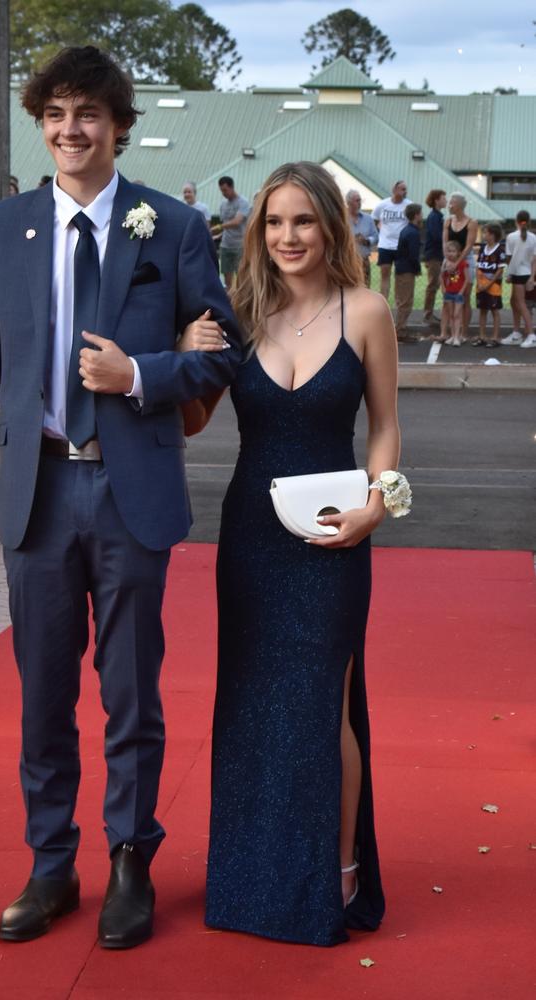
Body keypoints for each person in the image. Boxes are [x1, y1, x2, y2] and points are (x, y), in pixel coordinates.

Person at [0, 44, 241, 950]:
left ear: (118, 125)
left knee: (131, 693)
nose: (73, 130)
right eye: (58, 114)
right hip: (34, 491)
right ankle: (50, 863)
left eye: (90, 115)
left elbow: (223, 352)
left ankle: (132, 861)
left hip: (130, 491)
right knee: (40, 696)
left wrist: (139, 372)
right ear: (42, 123)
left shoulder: (173, 226)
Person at [180, 161, 399, 946]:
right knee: (249, 703)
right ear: (255, 232)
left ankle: (335, 871)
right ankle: (249, 872)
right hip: (250, 539)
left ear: (331, 228)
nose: (287, 237)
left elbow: (384, 430)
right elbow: (190, 424)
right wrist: (186, 355)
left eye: (303, 221)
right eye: (274, 223)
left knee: (321, 703)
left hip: (338, 538)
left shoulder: (367, 311)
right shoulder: (238, 313)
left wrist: (380, 507)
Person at [442, 193, 477, 341]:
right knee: (447, 297)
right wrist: (448, 260)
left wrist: (457, 262)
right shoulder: (448, 221)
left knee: (464, 297)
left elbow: (469, 245)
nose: (449, 205)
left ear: (460, 205)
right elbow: (444, 242)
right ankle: (446, 333)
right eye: (449, 202)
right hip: (449, 258)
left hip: (465, 259)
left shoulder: (471, 222)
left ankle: (463, 333)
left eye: (452, 203)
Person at [500, 211, 536, 348]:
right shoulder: (533, 237)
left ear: (516, 221)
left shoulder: (511, 237)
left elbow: (509, 258)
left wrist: (510, 273)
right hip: (524, 273)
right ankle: (516, 333)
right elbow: (534, 260)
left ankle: (531, 335)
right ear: (528, 221)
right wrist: (532, 277)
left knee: (520, 304)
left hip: (518, 274)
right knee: (514, 302)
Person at [372, 180, 410, 300]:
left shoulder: (409, 205)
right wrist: (380, 231)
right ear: (394, 190)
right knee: (385, 275)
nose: (404, 191)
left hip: (401, 246)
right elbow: (374, 219)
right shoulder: (383, 205)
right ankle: (384, 303)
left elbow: (415, 222)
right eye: (402, 189)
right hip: (385, 246)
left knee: (401, 277)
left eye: (405, 189)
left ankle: (399, 305)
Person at [470, 224, 505, 348]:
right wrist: (479, 283)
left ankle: (495, 337)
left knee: (494, 311)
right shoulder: (483, 248)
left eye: (485, 233)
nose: (483, 235)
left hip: (493, 286)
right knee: (482, 310)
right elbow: (478, 267)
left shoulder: (500, 250)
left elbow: (500, 270)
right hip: (481, 286)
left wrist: (489, 284)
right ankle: (482, 336)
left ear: (492, 235)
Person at [214, 176, 250, 289]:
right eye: (221, 191)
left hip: (239, 245)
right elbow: (227, 226)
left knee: (241, 277)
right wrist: (218, 235)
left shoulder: (243, 202)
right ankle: (229, 302)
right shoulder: (223, 205)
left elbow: (237, 222)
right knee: (227, 277)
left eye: (225, 190)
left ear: (232, 187)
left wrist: (219, 226)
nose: (223, 193)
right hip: (225, 245)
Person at [394, 202, 423, 340]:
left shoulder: (405, 230)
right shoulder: (413, 233)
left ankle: (401, 327)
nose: (422, 216)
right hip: (407, 270)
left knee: (402, 299)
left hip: (400, 268)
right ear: (416, 215)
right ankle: (400, 330)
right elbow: (413, 255)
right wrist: (417, 269)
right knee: (406, 301)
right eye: (421, 213)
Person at [439, 241, 469, 346]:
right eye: (448, 251)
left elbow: (467, 279)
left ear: (458, 252)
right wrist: (443, 287)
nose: (450, 253)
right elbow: (442, 276)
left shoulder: (462, 263)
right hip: (449, 292)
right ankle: (452, 335)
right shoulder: (445, 263)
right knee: (451, 314)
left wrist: (461, 291)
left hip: (458, 293)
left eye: (453, 251)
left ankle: (457, 336)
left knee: (457, 314)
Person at [423, 189, 446, 327]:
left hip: (438, 255)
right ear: (436, 200)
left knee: (436, 284)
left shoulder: (438, 216)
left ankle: (430, 314)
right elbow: (437, 236)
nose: (446, 200)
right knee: (432, 285)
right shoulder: (434, 217)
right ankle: (427, 315)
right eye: (443, 198)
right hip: (434, 256)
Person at [345, 189, 378, 286]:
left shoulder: (368, 218)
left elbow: (376, 236)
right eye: (357, 201)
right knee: (350, 287)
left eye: (360, 200)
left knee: (365, 287)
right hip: (347, 260)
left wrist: (367, 241)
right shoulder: (342, 218)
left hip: (364, 260)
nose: (360, 203)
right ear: (349, 203)